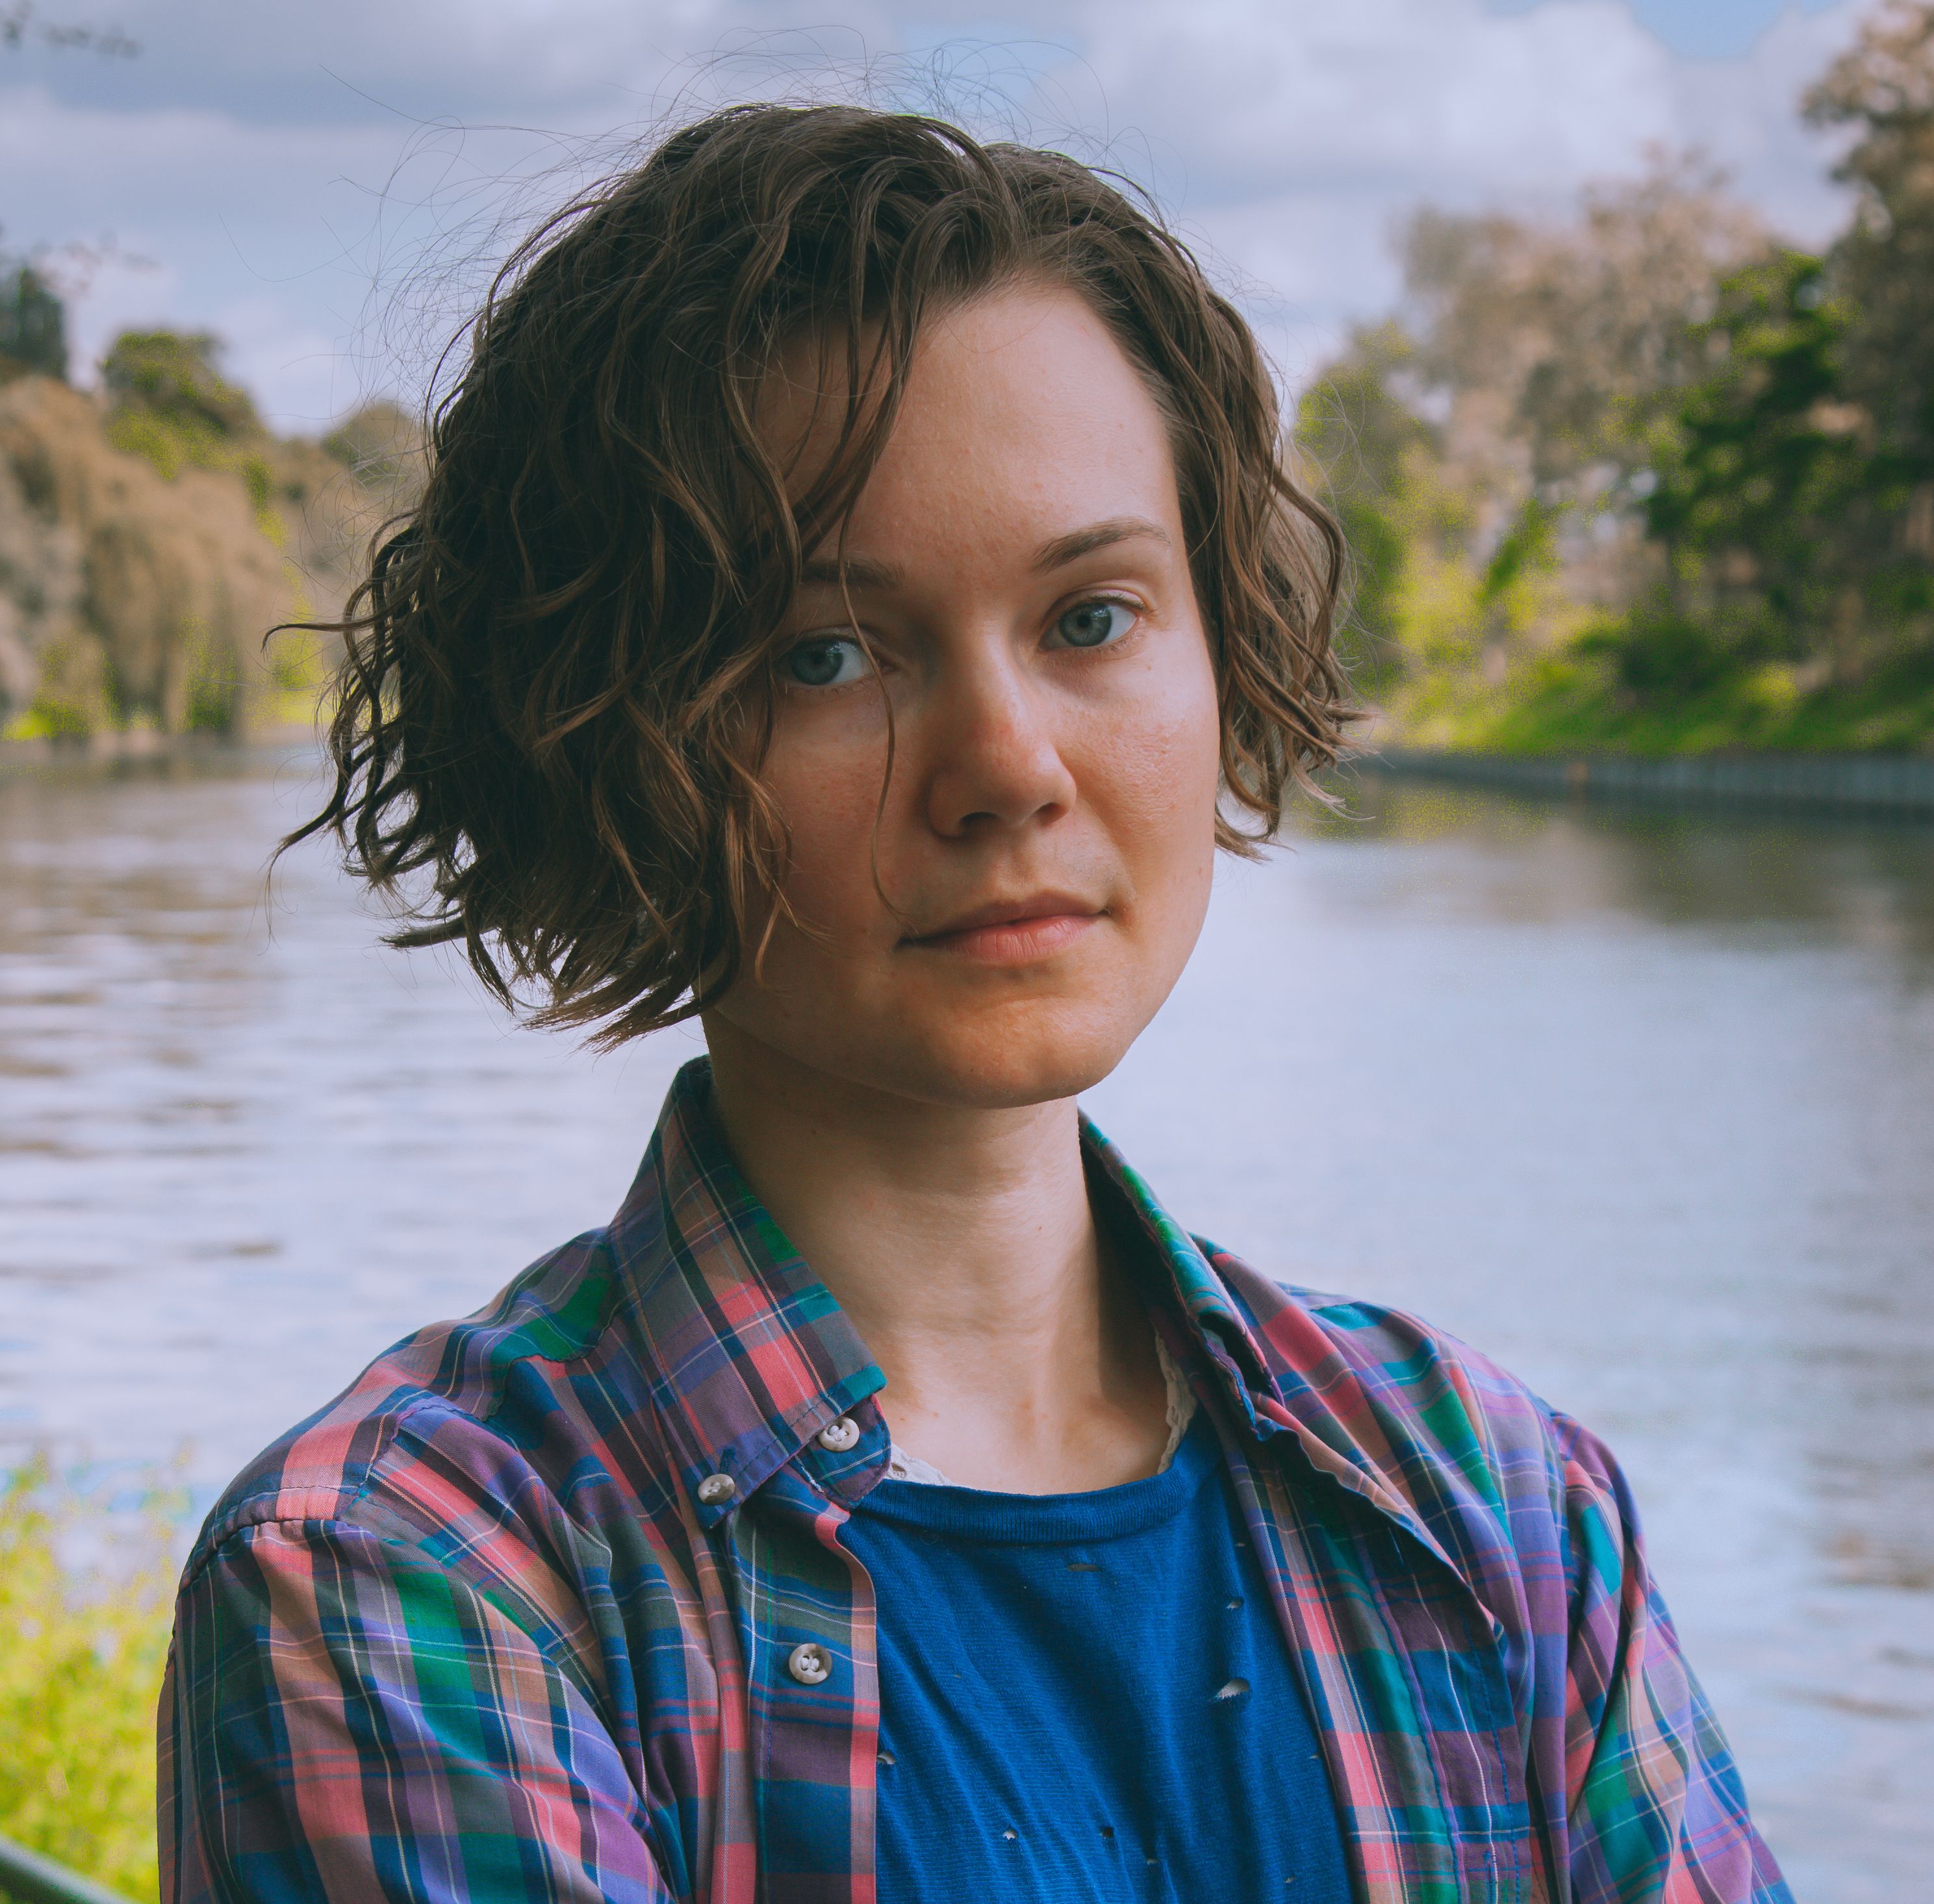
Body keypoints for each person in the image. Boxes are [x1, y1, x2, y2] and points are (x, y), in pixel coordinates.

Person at [159, 105, 1790, 1904]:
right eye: (829, 653)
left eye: (1091, 617)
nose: (1005, 767)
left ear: (1217, 648)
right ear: (599, 737)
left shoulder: (1488, 1505)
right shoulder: (407, 1581)